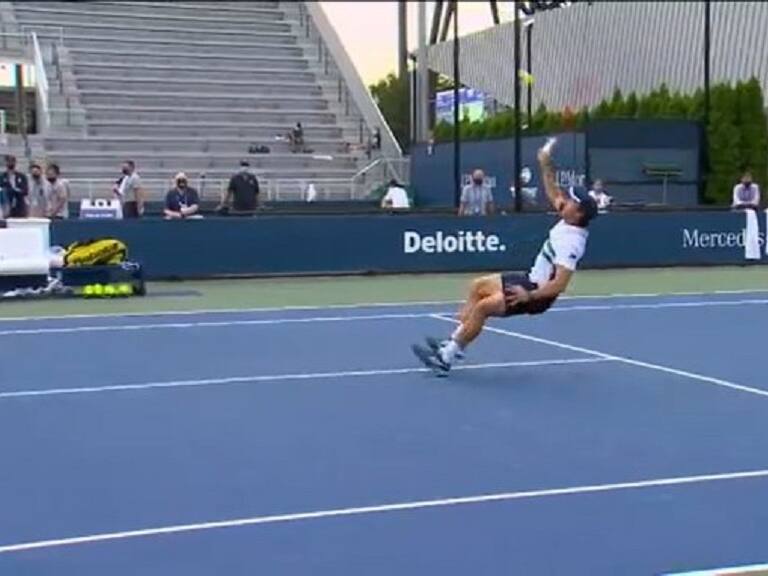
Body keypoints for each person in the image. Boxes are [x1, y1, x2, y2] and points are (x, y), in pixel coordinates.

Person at [412, 138, 598, 376]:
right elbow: (553, 189)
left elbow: (559, 285)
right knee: (477, 287)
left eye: (572, 201)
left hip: (536, 294)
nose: (567, 201)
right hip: (530, 279)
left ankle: (446, 358)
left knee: (482, 308)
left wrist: (528, 295)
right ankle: (454, 341)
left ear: (579, 212)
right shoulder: (568, 215)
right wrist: (544, 162)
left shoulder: (572, 242)